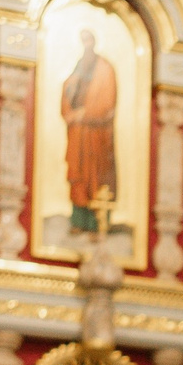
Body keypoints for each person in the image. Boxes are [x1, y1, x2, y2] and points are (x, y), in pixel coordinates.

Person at [61, 28, 119, 231]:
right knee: (78, 174)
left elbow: (107, 104)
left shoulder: (105, 69)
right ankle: (78, 221)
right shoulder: (78, 67)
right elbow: (68, 91)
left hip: (97, 135)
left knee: (98, 176)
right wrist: (70, 90)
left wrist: (84, 114)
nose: (86, 45)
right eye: (82, 40)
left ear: (94, 42)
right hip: (78, 134)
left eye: (88, 40)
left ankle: (98, 224)